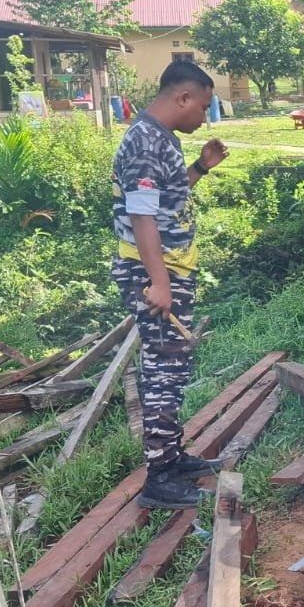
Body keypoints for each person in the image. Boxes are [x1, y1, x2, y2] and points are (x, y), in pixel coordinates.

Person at [109, 61, 229, 510]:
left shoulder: (162, 138)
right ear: (182, 97)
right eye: (203, 106)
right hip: (153, 274)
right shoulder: (144, 141)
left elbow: (165, 200)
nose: (205, 116)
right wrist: (159, 281)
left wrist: (200, 166)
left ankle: (172, 457)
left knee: (173, 367)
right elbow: (142, 216)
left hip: (171, 270)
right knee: (163, 369)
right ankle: (159, 478)